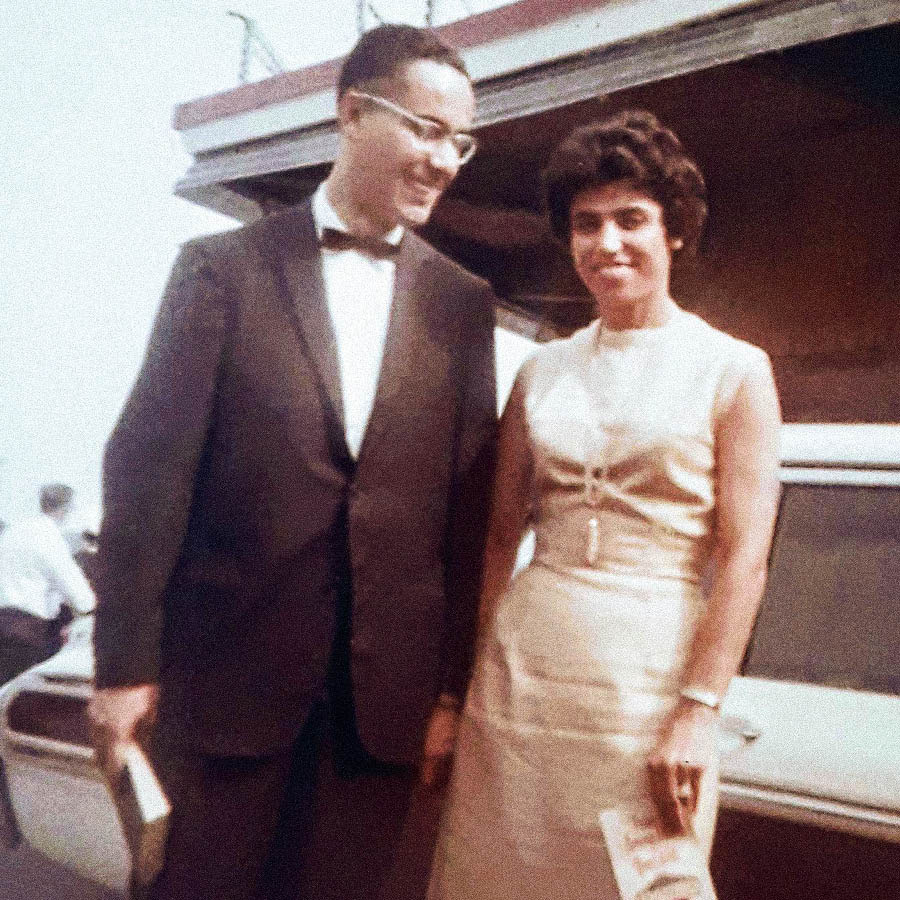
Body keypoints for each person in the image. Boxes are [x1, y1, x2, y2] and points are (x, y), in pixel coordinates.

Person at [88, 24, 497, 900]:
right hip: (222, 696)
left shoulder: (463, 306)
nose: (444, 161)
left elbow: (468, 522)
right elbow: (148, 475)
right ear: (351, 114)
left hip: (376, 721)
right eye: (427, 130)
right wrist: (123, 666)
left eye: (460, 142)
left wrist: (450, 694)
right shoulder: (221, 270)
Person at [427, 109, 782, 899]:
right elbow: (497, 540)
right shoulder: (541, 371)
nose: (607, 242)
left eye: (631, 219)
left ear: (674, 231)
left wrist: (697, 711)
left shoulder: (734, 369)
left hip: (648, 686)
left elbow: (745, 559)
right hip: (520, 678)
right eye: (586, 224)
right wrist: (459, 688)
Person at [0, 483, 95, 683]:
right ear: (66, 508)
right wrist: (92, 606)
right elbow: (75, 589)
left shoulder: (14, 532)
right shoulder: (48, 536)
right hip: (24, 631)